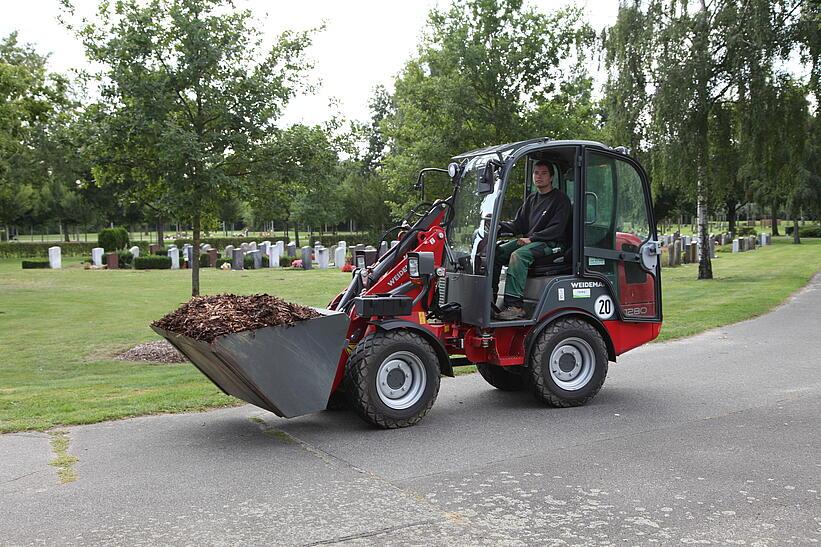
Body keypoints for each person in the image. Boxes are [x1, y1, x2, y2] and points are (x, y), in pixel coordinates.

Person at [493, 160, 571, 320]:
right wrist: (498, 226)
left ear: (551, 177)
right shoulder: (531, 200)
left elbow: (556, 229)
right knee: (496, 252)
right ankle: (490, 299)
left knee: (518, 255)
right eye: (536, 173)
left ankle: (515, 306)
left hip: (552, 243)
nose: (539, 177)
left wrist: (532, 238)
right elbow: (518, 224)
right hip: (533, 241)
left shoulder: (560, 200)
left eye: (543, 173)